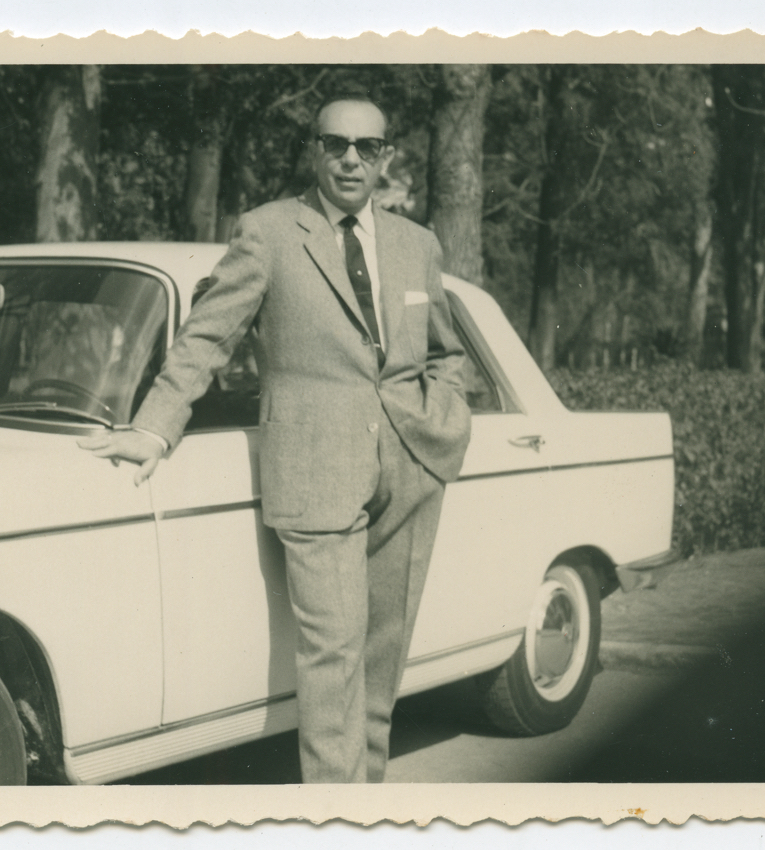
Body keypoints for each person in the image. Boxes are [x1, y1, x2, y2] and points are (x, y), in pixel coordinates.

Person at [77, 94, 472, 783]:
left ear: (386, 158)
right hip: (315, 472)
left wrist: (445, 414)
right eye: (335, 144)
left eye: (367, 147)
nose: (350, 159)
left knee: (384, 655)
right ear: (314, 151)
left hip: (411, 466)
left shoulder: (418, 245)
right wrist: (153, 427)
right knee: (333, 655)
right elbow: (208, 335)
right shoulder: (267, 232)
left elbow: (447, 351)